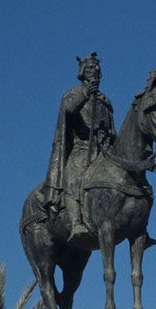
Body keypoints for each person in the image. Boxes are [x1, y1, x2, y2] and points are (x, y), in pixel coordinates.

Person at [45, 52, 115, 238]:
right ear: (83, 72)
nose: (95, 72)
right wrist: (86, 94)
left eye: (97, 70)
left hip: (102, 153)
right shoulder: (74, 93)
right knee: (74, 177)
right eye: (90, 69)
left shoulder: (104, 101)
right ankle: (76, 223)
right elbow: (70, 109)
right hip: (81, 150)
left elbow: (111, 130)